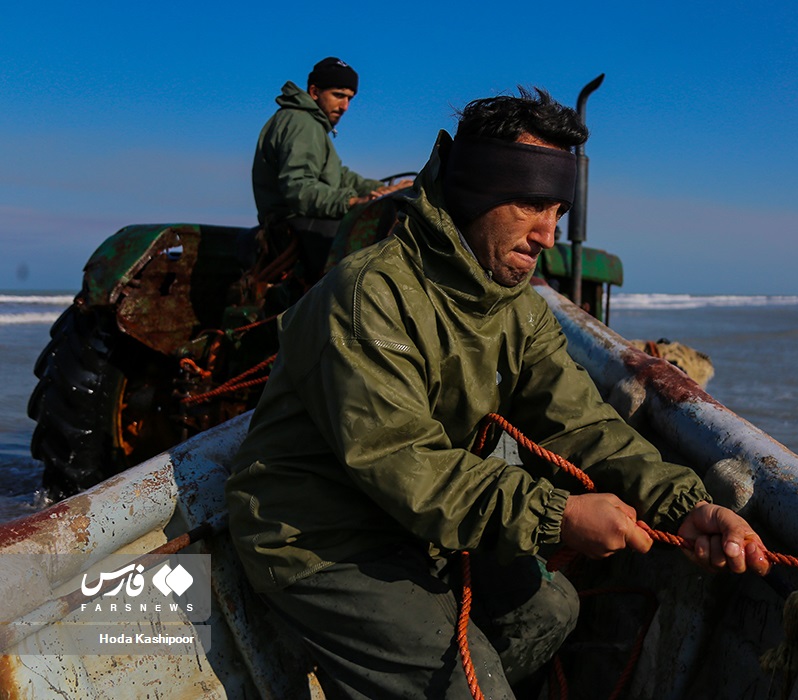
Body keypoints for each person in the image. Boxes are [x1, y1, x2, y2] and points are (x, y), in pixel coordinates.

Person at [226, 87, 770, 699]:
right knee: (468, 687)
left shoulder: (515, 306)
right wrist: (555, 515)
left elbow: (581, 422)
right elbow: (402, 463)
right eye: (531, 204)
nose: (546, 234)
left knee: (551, 611)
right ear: (474, 190)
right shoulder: (369, 297)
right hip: (318, 536)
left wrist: (682, 504)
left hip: (416, 524)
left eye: (558, 211)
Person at [251, 57, 412, 277]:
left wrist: (384, 190)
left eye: (350, 98)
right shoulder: (301, 123)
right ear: (315, 92)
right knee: (367, 257)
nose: (345, 106)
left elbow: (341, 176)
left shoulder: (310, 124)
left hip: (304, 220)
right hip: (293, 226)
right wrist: (350, 202)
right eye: (338, 95)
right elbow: (299, 190)